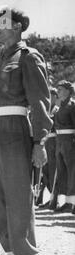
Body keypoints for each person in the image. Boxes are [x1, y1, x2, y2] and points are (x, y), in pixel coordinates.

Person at [0, 7, 53, 255]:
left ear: (18, 27)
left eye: (2, 24)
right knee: (0, 199)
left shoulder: (28, 56)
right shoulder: (2, 58)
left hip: (15, 131)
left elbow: (40, 101)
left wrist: (40, 141)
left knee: (17, 200)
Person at [53, 80, 75, 214]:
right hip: (60, 141)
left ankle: (71, 202)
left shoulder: (72, 106)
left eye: (60, 89)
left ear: (68, 91)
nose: (58, 92)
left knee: (72, 171)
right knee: (62, 172)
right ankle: (66, 201)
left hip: (69, 141)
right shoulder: (61, 106)